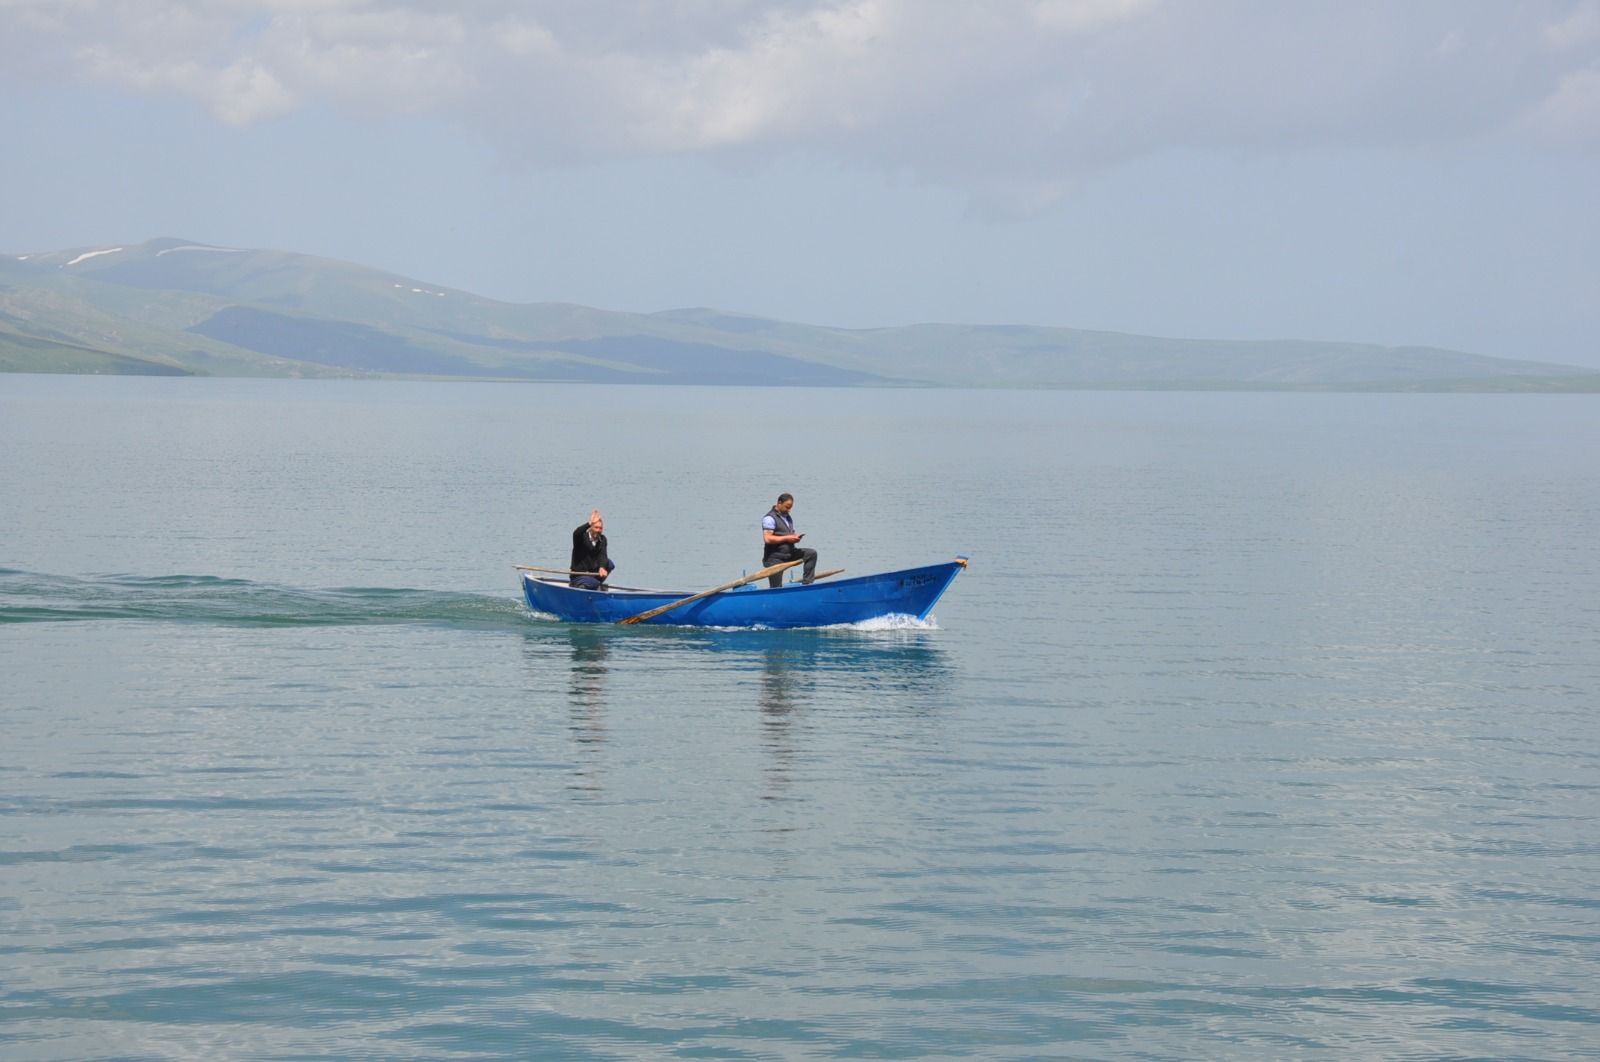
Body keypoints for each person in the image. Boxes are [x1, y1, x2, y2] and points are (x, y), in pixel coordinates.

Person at [761, 492, 818, 587]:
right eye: (787, 507)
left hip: (789, 554)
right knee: (776, 588)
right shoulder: (769, 518)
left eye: (791, 507)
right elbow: (768, 539)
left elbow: (786, 535)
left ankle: (808, 584)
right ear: (779, 503)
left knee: (811, 554)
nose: (789, 510)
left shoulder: (787, 517)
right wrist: (788, 538)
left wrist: (795, 538)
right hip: (774, 558)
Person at [570, 509, 615, 590]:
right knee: (593, 583)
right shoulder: (581, 537)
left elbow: (603, 555)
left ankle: (592, 584)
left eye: (600, 528)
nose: (598, 530)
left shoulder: (602, 539)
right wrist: (589, 523)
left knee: (610, 564)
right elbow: (576, 533)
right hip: (579, 575)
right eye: (596, 527)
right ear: (591, 527)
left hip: (593, 573)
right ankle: (584, 585)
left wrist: (602, 567)